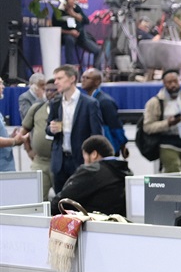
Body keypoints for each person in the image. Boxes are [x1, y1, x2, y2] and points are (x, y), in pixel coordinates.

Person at [47, 64, 103, 193]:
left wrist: (92, 160)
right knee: (61, 202)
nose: (56, 82)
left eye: (59, 78)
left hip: (80, 160)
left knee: (82, 200)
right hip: (59, 162)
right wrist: (51, 129)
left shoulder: (90, 103)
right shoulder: (55, 103)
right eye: (55, 79)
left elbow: (97, 135)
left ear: (72, 79)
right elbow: (48, 129)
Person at [50, 135, 131, 216]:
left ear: (94, 154)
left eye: (84, 155)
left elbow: (63, 199)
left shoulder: (92, 171)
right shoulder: (125, 172)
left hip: (92, 224)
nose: (84, 161)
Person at [19, 76, 58, 199]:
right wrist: (29, 150)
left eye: (54, 90)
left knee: (67, 202)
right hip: (40, 162)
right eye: (47, 90)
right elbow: (24, 132)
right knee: (35, 199)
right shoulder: (36, 108)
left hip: (62, 162)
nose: (50, 93)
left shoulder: (68, 110)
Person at [80, 67, 128, 158]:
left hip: (107, 149)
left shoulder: (105, 101)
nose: (83, 80)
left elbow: (116, 126)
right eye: (82, 77)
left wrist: (122, 146)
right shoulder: (85, 101)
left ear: (97, 82)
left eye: (87, 78)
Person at [53, 0, 101, 66]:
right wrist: (70, 32)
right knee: (69, 39)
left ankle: (96, 73)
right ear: (65, 1)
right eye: (71, 0)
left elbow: (86, 21)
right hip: (67, 36)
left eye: (74, 0)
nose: (73, 2)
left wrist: (74, 14)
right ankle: (70, 66)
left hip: (81, 36)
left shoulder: (76, 8)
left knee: (98, 50)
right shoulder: (59, 11)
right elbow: (55, 29)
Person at [0, 81, 26, 171]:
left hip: (5, 167)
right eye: (0, 83)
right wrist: (14, 141)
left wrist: (10, 137)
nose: (3, 87)